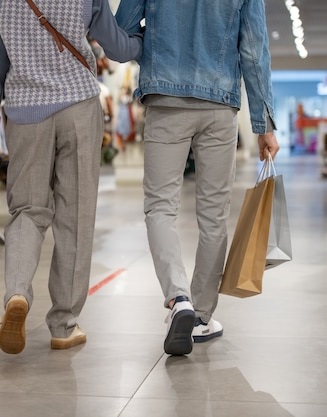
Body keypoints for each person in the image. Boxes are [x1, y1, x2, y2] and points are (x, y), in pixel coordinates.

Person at [115, 0, 280, 355]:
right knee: (213, 216)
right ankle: (202, 316)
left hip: (165, 101)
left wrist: (156, 47)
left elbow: (121, 35)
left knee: (160, 208)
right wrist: (263, 125)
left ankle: (179, 300)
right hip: (220, 107)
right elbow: (253, 49)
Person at [0, 0, 142, 354]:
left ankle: (18, 293)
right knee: (76, 215)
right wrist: (143, 37)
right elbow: (117, 48)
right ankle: (64, 325)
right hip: (78, 107)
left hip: (25, 113)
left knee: (28, 211)